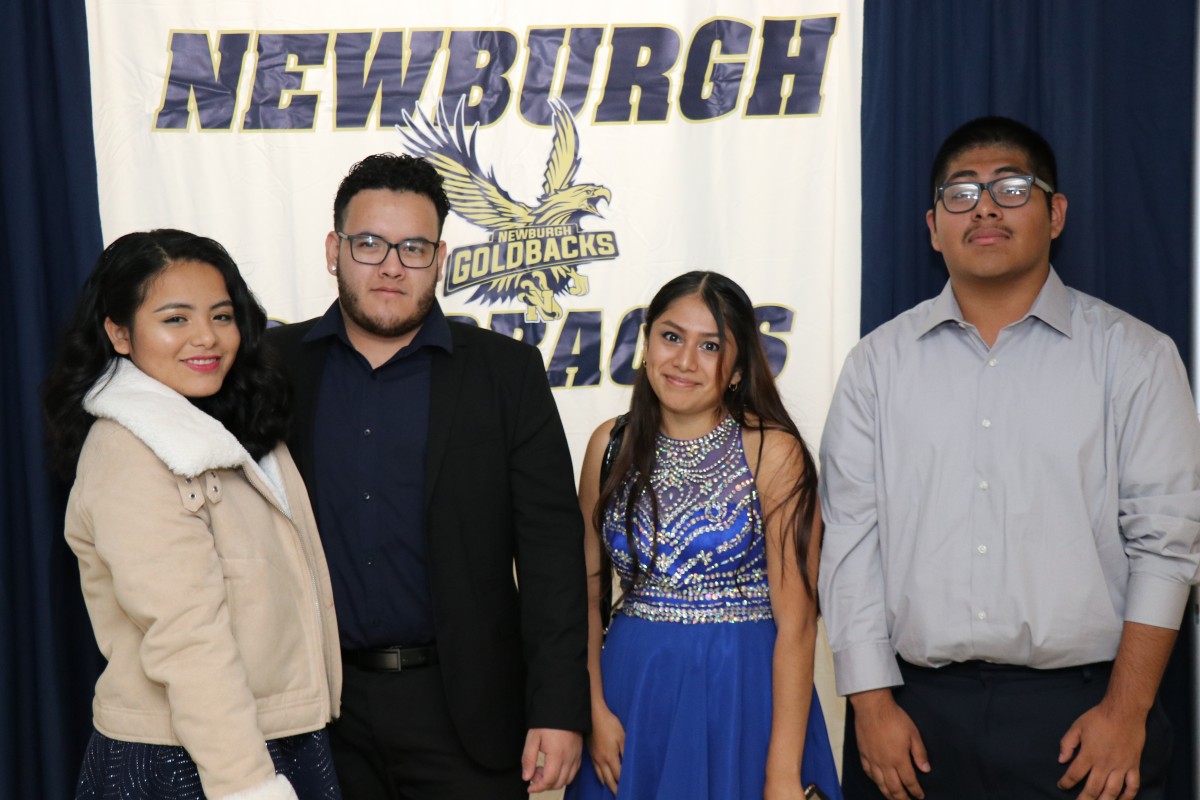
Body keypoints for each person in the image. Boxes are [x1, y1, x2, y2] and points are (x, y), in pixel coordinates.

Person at [819, 115, 1200, 800]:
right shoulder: (877, 366)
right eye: (960, 193)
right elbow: (850, 544)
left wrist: (1126, 711)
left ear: (1055, 214)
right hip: (911, 722)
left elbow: (1167, 547)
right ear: (933, 226)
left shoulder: (1136, 357)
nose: (986, 207)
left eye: (1012, 188)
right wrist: (870, 707)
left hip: (1085, 719)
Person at [265, 153, 590, 799]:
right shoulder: (274, 366)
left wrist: (557, 708)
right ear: (334, 250)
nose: (390, 265)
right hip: (318, 711)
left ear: (439, 259)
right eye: (369, 244)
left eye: (412, 247)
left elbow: (553, 555)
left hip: (465, 710)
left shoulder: (507, 373)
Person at [41, 229, 342, 800]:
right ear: (119, 332)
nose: (206, 337)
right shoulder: (130, 451)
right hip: (195, 756)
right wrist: (248, 785)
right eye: (175, 319)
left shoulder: (237, 424)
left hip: (274, 736)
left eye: (222, 316)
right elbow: (187, 639)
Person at [565, 271, 843, 800]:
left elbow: (799, 624)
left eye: (710, 345)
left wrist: (782, 773)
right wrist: (594, 709)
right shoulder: (609, 445)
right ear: (646, 344)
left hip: (742, 691)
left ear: (737, 369)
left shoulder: (772, 452)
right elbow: (585, 593)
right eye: (671, 337)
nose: (685, 360)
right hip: (634, 690)